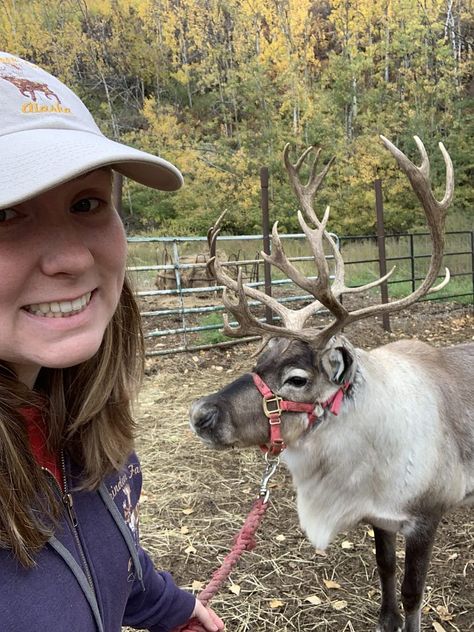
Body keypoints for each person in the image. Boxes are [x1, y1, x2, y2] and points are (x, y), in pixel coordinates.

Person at [0, 51, 224, 632]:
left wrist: (167, 605)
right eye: (4, 216)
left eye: (87, 204)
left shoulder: (76, 411)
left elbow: (95, 545)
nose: (73, 257)